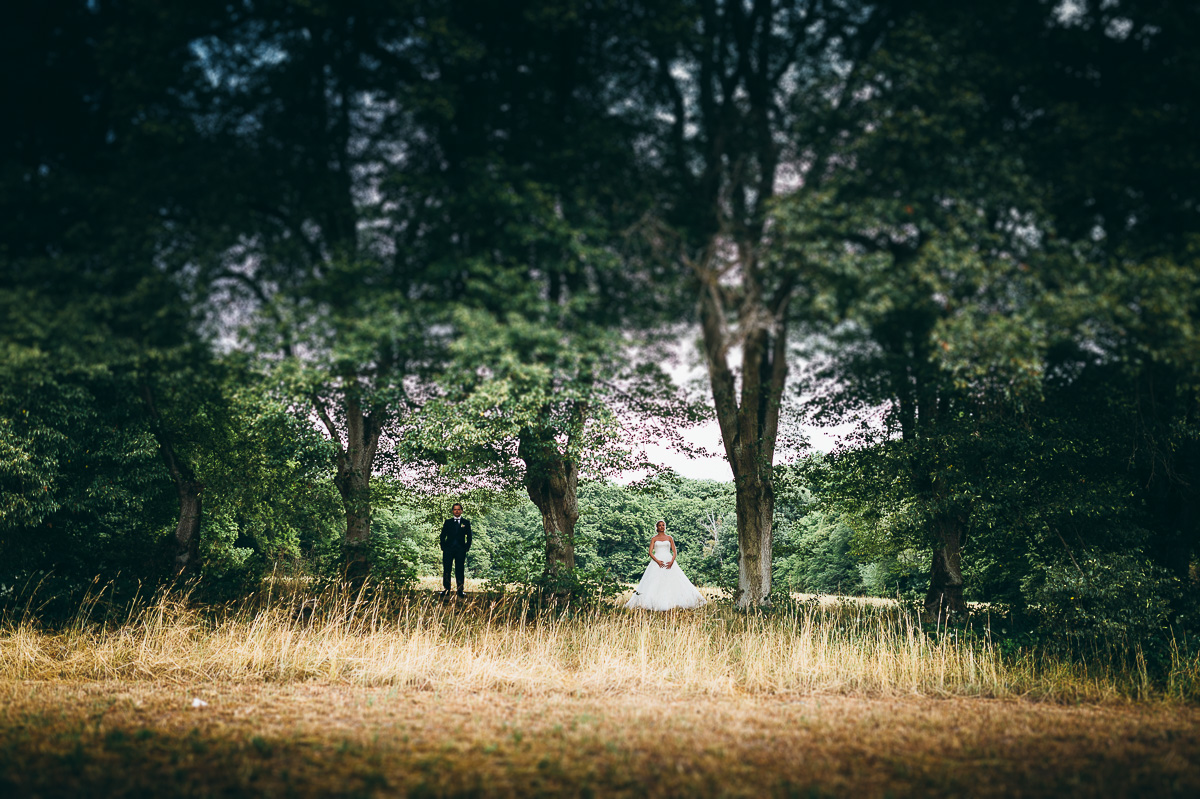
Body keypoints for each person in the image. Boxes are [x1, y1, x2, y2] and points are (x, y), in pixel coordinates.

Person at [624, 520, 706, 611]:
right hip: (657, 561)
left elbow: (675, 552)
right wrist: (657, 561)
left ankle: (674, 603)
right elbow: (650, 552)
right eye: (660, 525)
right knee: (655, 582)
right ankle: (653, 603)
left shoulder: (669, 538)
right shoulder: (654, 539)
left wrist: (671, 561)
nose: (662, 527)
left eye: (663, 525)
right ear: (657, 527)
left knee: (673, 581)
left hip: (668, 561)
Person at [439, 503, 472, 598]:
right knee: (447, 570)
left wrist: (466, 548)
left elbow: (469, 537)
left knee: (460, 570)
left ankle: (460, 590)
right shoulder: (448, 522)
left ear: (461, 511)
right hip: (448, 550)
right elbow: (442, 536)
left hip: (460, 550)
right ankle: (446, 589)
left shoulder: (466, 522)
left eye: (458, 509)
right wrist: (443, 547)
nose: (456, 511)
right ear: (452, 511)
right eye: (455, 509)